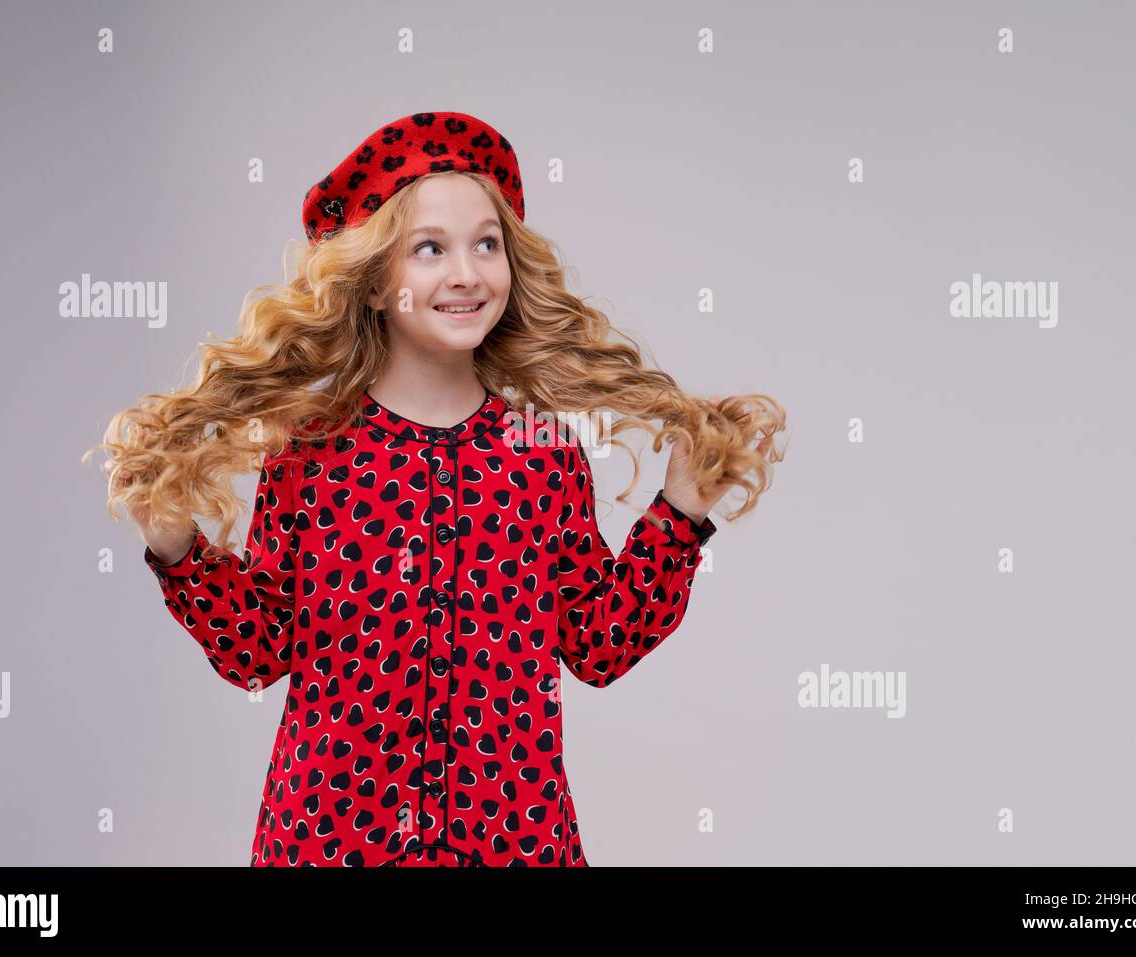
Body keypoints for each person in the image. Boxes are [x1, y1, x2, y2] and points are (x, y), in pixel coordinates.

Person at [86, 111, 786, 866]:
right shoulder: (311, 456)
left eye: (487, 243)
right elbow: (258, 648)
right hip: (332, 844)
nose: (466, 272)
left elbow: (598, 645)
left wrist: (680, 511)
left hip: (513, 845)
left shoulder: (543, 458)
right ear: (377, 285)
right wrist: (176, 546)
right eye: (430, 249)